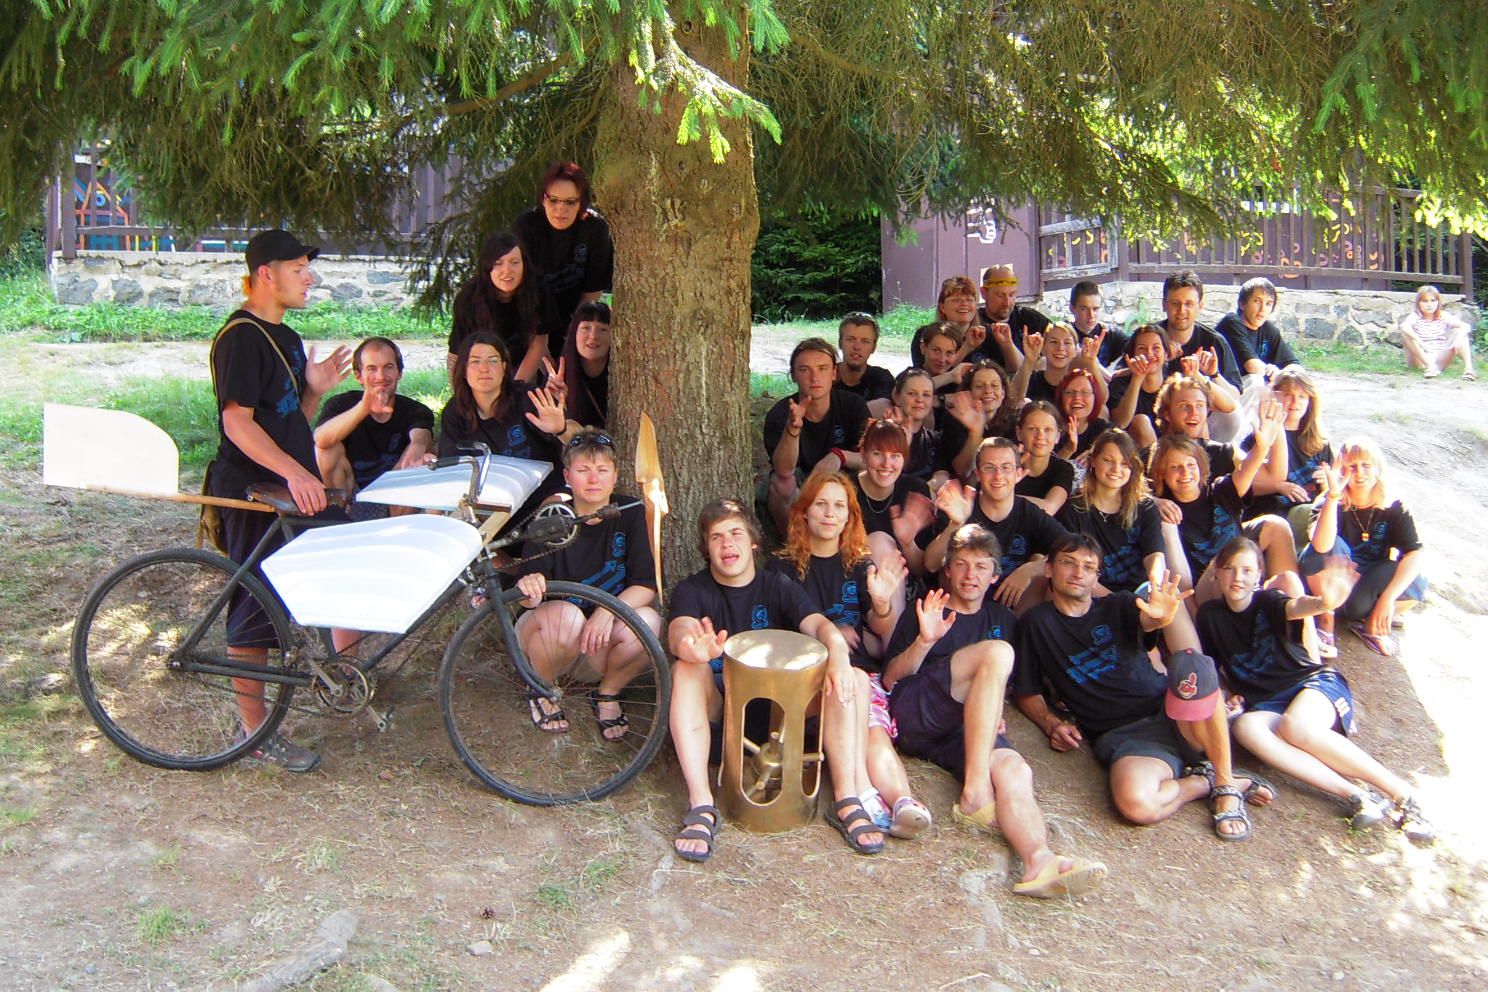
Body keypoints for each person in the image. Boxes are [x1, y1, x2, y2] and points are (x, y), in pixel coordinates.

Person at [883, 524, 1107, 896]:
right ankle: (974, 794)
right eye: (961, 564)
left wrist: (998, 709)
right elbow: (891, 679)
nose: (970, 575)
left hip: (964, 729)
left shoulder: (1003, 621)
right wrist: (924, 641)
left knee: (1015, 769)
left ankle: (1039, 861)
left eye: (981, 567)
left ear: (995, 576)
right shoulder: (930, 606)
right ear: (948, 570)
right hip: (917, 714)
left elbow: (1009, 687)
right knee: (997, 652)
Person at [1013, 534, 1277, 840]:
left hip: (1174, 713)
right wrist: (1051, 723)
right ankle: (1206, 781)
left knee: (1193, 663)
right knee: (1136, 805)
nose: (1078, 573)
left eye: (1088, 567)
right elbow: (1026, 690)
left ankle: (1226, 785)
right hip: (1126, 737)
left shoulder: (1118, 605)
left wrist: (1160, 618)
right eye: (1068, 563)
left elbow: (1146, 622)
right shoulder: (1036, 624)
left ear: (1097, 576)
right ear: (1049, 568)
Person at [667, 500, 885, 860]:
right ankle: (701, 805)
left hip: (782, 718)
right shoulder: (693, 589)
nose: (727, 544)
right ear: (706, 548)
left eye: (735, 534)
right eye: (716, 537)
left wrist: (838, 656)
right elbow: (680, 630)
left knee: (854, 678)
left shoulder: (777, 585)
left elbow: (820, 626)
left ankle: (846, 800)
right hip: (725, 713)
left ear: (753, 542)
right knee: (685, 669)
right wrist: (691, 647)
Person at [209, 230, 352, 772]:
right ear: (265, 274)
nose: (309, 278)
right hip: (252, 490)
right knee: (254, 606)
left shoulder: (287, 337)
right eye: (298, 268)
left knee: (326, 564)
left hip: (285, 487)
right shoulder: (240, 338)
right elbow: (237, 424)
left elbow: (289, 421)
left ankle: (341, 673)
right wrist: (295, 474)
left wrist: (314, 390)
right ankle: (254, 733)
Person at [1198, 538, 1433, 841]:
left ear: (1258, 575)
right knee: (1245, 728)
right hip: (1268, 704)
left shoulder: (1268, 601)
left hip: (1312, 685)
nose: (1238, 578)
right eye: (1230, 569)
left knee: (1295, 726)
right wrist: (1228, 695)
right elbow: (1216, 666)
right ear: (1217, 573)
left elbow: (1296, 607)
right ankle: (1358, 796)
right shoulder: (1210, 615)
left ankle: (1403, 795)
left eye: (1247, 570)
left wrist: (1324, 603)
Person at [769, 471, 932, 838]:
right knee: (855, 684)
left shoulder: (859, 564)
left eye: (839, 506)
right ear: (804, 511)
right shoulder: (781, 566)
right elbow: (776, 635)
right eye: (821, 504)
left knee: (876, 732)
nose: (830, 513)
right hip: (806, 677)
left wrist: (881, 602)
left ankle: (901, 801)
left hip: (858, 673)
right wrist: (832, 638)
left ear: (849, 516)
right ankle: (863, 795)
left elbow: (879, 627)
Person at [512, 430, 661, 737]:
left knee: (649, 621)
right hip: (553, 637)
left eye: (602, 470)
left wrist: (607, 611)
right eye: (583, 470)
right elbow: (527, 599)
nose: (594, 479)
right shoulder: (553, 518)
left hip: (599, 645)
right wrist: (530, 585)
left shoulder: (631, 512)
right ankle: (541, 688)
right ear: (568, 476)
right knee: (566, 617)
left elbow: (646, 585)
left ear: (615, 476)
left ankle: (608, 693)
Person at [1147, 402, 1298, 602]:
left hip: (1244, 573)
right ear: (1162, 474)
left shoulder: (1220, 491)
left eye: (1191, 465)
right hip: (1210, 587)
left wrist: (1262, 446)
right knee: (1227, 563)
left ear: (1201, 466)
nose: (1185, 473)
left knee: (1277, 533)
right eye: (1175, 467)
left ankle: (1288, 610)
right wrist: (1153, 501)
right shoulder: (1165, 509)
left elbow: (1245, 471)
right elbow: (1126, 494)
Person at [1302, 439, 1427, 657]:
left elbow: (1415, 552)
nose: (1359, 473)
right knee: (1332, 545)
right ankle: (1325, 624)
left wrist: (1387, 599)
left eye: (1366, 465)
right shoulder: (1328, 500)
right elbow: (1320, 545)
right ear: (1341, 470)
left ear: (1378, 468)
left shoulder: (1394, 505)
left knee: (1417, 578)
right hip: (1326, 584)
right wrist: (1333, 496)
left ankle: (1373, 622)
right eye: (1351, 466)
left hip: (1362, 587)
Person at [437, 332, 575, 523]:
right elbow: (453, 470)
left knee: (554, 514)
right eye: (475, 361)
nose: (484, 368)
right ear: (464, 369)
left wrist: (561, 429)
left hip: (542, 498)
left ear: (503, 367)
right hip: (490, 504)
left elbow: (579, 437)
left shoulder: (528, 397)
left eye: (493, 361)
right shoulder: (455, 412)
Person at [924, 438, 1069, 612]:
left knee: (1044, 564)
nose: (998, 475)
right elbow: (931, 564)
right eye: (989, 467)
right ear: (978, 473)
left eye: (1006, 467)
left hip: (1012, 610)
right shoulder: (961, 506)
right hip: (963, 608)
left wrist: (1032, 569)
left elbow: (1072, 549)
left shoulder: (1028, 512)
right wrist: (955, 524)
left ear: (1018, 474)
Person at [313, 337, 434, 515]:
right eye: (372, 369)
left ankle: (396, 525)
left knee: (422, 456)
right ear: (359, 376)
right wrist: (364, 408)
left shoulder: (415, 409)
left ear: (399, 373)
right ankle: (337, 517)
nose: (381, 376)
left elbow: (421, 434)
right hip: (350, 492)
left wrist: (418, 445)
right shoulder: (341, 404)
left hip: (394, 495)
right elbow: (320, 439)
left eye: (388, 367)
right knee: (327, 449)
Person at [762, 338, 871, 535]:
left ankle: (854, 541)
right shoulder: (780, 414)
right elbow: (783, 470)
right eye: (805, 370)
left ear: (834, 373)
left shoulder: (853, 405)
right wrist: (793, 429)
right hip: (801, 486)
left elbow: (871, 458)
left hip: (845, 480)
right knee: (780, 483)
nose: (815, 377)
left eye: (822, 369)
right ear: (793, 375)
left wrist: (839, 456)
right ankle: (797, 545)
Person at [1057, 429, 1169, 594]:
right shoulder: (1073, 508)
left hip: (1141, 592)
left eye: (1124, 463)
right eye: (1108, 460)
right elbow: (1075, 568)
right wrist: (1119, 602)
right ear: (1093, 461)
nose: (1116, 469)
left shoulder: (1145, 507)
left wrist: (1156, 586)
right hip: (1093, 593)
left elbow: (1154, 556)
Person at [511, 161, 614, 328]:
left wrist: (572, 333)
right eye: (553, 200)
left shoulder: (595, 228)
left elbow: (592, 291)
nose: (560, 209)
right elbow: (516, 289)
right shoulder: (525, 227)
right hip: (529, 317)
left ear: (581, 202)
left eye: (570, 202)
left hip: (577, 318)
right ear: (543, 199)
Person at [449, 232, 561, 383]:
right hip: (483, 368)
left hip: (525, 363)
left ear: (524, 264)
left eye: (514, 262)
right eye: (498, 263)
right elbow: (456, 354)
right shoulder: (468, 299)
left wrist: (517, 388)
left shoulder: (537, 288)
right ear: (487, 267)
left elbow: (539, 343)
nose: (507, 270)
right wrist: (460, 392)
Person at [1158, 270, 1246, 442]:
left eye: (1189, 304)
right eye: (1175, 303)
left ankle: (1209, 453)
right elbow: (1120, 377)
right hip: (1159, 415)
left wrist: (1212, 374)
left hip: (1199, 419)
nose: (1182, 310)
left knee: (1233, 415)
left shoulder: (1214, 341)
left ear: (1201, 305)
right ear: (1164, 304)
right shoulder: (1151, 338)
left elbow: (1234, 398)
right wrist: (1158, 361)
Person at [851, 419, 935, 580]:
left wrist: (908, 543)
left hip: (900, 584)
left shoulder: (915, 489)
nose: (886, 464)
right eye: (877, 454)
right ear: (863, 454)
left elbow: (920, 571)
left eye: (895, 455)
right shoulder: (846, 490)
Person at [938, 360, 1020, 481]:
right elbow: (963, 472)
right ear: (969, 392)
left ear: (1003, 393)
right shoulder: (954, 418)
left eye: (994, 385)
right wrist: (975, 432)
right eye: (979, 386)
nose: (988, 391)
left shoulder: (1014, 419)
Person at [1214, 277, 1300, 378]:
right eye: (1257, 301)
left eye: (1268, 304)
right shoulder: (1232, 323)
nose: (1263, 309)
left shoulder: (1269, 330)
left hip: (1254, 384)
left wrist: (1280, 374)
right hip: (1224, 383)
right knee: (1256, 379)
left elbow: (1296, 367)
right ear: (1242, 304)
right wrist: (1272, 372)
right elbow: (1252, 366)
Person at [1106, 325, 1172, 449]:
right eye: (1142, 348)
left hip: (1172, 450)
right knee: (1141, 422)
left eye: (1156, 348)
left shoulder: (1173, 386)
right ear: (1132, 355)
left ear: (1166, 354)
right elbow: (1120, 423)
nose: (1149, 353)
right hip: (1133, 453)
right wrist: (1137, 378)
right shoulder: (1120, 385)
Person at [1399, 284, 1476, 381]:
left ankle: (1469, 369)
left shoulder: (1443, 315)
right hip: (1420, 358)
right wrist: (1421, 342)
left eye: (1433, 301)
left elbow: (1466, 326)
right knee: (1405, 334)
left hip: (1440, 357)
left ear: (1438, 302)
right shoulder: (1415, 316)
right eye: (1425, 301)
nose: (1429, 305)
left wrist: (1459, 339)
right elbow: (1404, 326)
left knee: (1461, 332)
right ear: (1419, 303)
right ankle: (1430, 367)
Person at [976, 263, 1048, 362]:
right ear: (984, 293)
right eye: (1000, 295)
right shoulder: (976, 324)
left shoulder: (1027, 317)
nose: (1007, 303)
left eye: (1011, 295)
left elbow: (1057, 334)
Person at [1013, 401, 1074, 516]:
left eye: (1048, 430)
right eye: (1032, 429)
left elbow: (1049, 508)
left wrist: (1003, 497)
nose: (1040, 436)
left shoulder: (1063, 469)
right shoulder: (1005, 465)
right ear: (1019, 432)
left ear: (1057, 436)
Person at [558, 300, 612, 428]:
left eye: (603, 329)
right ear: (574, 333)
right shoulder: (558, 376)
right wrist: (560, 403)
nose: (593, 336)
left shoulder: (626, 377)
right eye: (585, 328)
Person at [887, 367, 943, 484]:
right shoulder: (879, 435)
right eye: (912, 394)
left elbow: (943, 475)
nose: (919, 400)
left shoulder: (935, 440)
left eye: (926, 395)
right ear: (897, 397)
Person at [835, 312, 896, 411]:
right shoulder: (825, 375)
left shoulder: (880, 377)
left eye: (865, 341)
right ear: (840, 343)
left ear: (873, 347)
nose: (857, 347)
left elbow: (884, 407)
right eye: (850, 339)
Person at [1053, 367, 1113, 463]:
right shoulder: (1051, 429)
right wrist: (1068, 449)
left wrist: (1096, 452)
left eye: (1085, 392)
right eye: (1069, 392)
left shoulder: (1104, 430)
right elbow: (1047, 471)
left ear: (1095, 398)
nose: (1077, 397)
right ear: (1061, 398)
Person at [1068, 280, 1129, 371]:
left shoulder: (1109, 333)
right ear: (1072, 309)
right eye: (1084, 309)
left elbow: (1136, 346)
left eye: (1095, 309)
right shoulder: (1064, 334)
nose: (1091, 315)